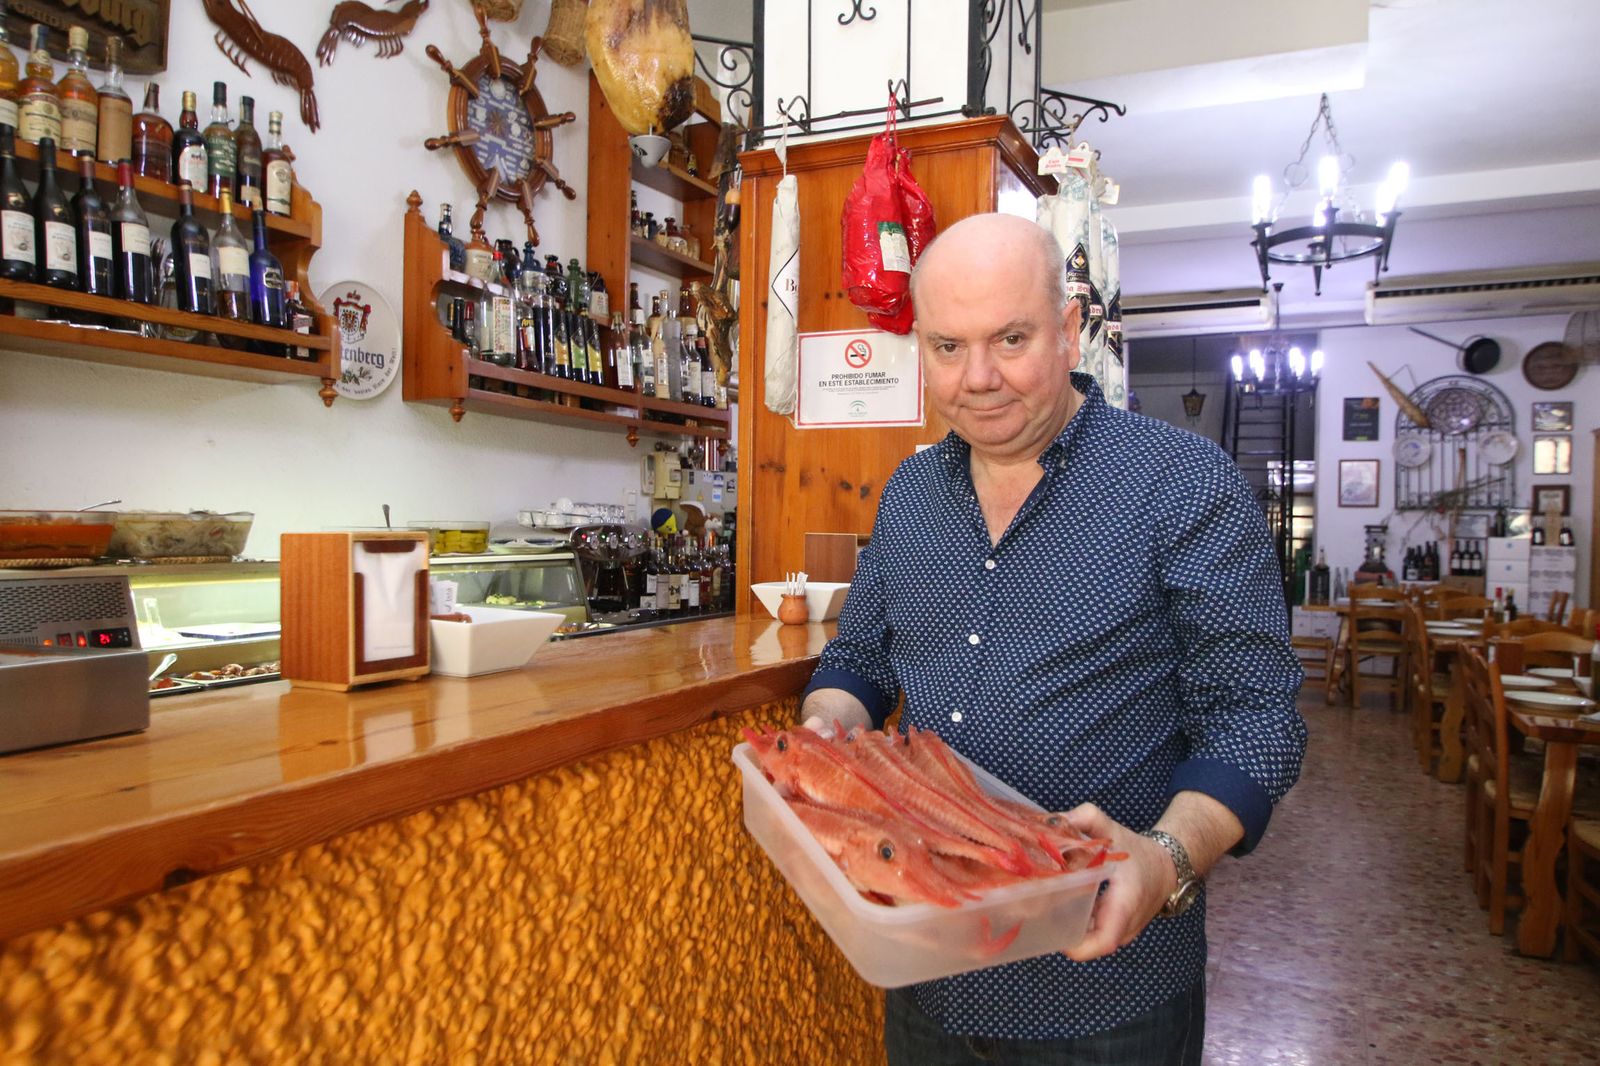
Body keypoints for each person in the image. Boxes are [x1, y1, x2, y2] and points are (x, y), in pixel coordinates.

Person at [799, 213, 1307, 1064]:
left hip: (1110, 993)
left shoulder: (1181, 483)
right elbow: (861, 660)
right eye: (947, 348)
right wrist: (827, 729)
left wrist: (1169, 859)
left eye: (1011, 338)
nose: (980, 378)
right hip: (930, 971)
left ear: (1071, 328)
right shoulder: (912, 492)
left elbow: (1255, 719)